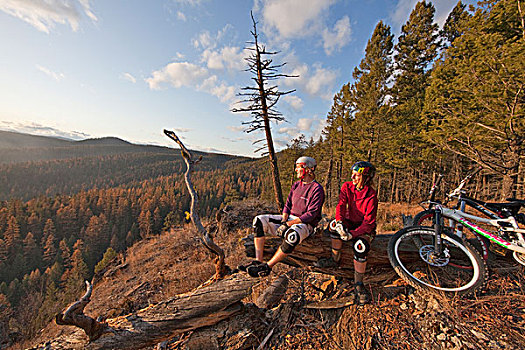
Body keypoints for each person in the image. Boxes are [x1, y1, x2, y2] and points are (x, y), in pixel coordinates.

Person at [240, 156, 325, 278]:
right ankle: (259, 262)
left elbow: (311, 214)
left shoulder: (317, 189)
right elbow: (288, 203)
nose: (295, 170)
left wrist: (288, 225)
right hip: (290, 219)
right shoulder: (296, 185)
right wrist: (284, 219)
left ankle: (267, 267)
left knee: (292, 236)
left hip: (305, 225)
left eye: (298, 167)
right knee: (259, 220)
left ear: (308, 169)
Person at [315, 161, 378, 305]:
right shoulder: (347, 186)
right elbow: (341, 205)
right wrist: (340, 222)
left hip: (364, 227)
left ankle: (358, 284)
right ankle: (334, 259)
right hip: (349, 221)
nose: (353, 177)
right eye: (353, 174)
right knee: (334, 228)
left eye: (356, 175)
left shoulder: (371, 196)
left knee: (360, 246)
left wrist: (352, 235)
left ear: (365, 177)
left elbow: (368, 223)